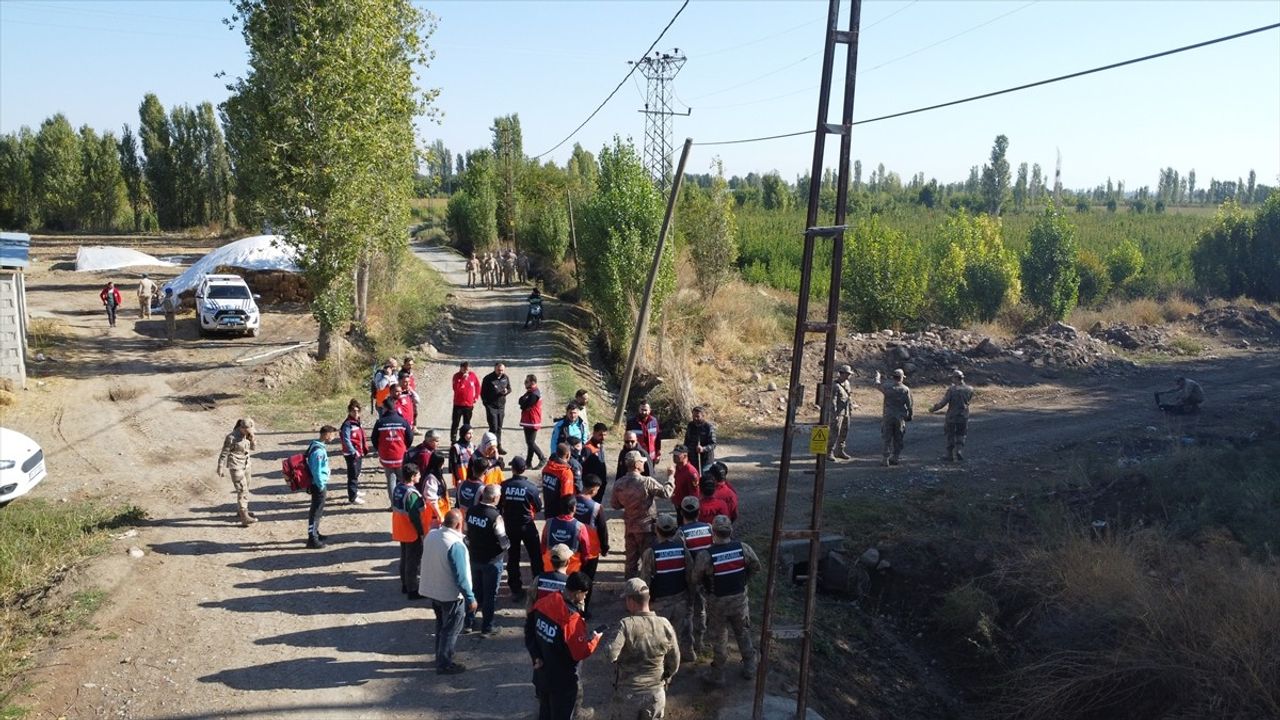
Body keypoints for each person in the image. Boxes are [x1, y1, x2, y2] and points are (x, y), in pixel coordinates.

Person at [692, 515, 762, 684]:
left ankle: (718, 675)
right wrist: (744, 581)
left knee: (719, 639)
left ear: (713, 532)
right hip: (739, 601)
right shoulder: (743, 548)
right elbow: (756, 567)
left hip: (717, 604)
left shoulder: (705, 555)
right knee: (744, 634)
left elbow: (695, 578)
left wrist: (704, 591)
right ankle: (750, 668)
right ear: (731, 530)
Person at [525, 571, 603, 720]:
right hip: (562, 681)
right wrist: (594, 640)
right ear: (578, 593)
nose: (585, 597)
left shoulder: (544, 602)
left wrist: (536, 656)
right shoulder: (572, 621)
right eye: (585, 594)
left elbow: (529, 631)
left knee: (544, 712)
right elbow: (579, 653)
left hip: (541, 674)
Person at [606, 578, 680, 720]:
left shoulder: (626, 625)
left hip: (628, 695)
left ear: (631, 600)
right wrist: (666, 676)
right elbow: (674, 660)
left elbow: (610, 654)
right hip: (655, 694)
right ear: (648, 598)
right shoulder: (665, 624)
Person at [420, 509, 477, 675]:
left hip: (433, 590)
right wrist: (470, 598)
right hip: (450, 595)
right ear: (459, 524)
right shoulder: (455, 545)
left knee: (441, 625)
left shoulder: (431, 535)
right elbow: (461, 577)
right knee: (451, 629)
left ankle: (439, 656)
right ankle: (444, 663)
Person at [611, 450, 676, 579]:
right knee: (649, 560)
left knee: (630, 561)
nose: (643, 464)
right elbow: (666, 493)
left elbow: (615, 505)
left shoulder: (619, 484)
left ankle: (631, 589)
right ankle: (649, 588)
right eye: (641, 461)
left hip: (630, 527)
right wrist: (670, 477)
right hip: (647, 529)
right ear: (636, 465)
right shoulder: (647, 482)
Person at [639, 514, 694, 662]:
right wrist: (691, 596)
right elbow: (690, 575)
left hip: (660, 603)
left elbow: (645, 581)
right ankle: (685, 654)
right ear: (674, 530)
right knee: (681, 630)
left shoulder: (651, 553)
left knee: (660, 634)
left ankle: (662, 663)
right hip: (681, 598)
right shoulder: (683, 549)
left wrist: (644, 604)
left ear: (657, 530)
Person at [465, 484, 510, 635]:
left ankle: (468, 622)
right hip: (492, 561)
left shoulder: (471, 511)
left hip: (474, 558)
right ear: (495, 497)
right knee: (490, 595)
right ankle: (487, 627)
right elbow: (503, 542)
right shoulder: (495, 516)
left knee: (474, 591)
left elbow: (466, 533)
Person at [501, 456, 544, 602]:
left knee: (513, 557)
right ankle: (538, 587)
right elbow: (538, 507)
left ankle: (515, 589)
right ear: (524, 469)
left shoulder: (504, 486)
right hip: (527, 526)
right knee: (535, 557)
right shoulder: (531, 488)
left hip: (510, 526)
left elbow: (499, 506)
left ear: (512, 469)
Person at [677, 496, 712, 659]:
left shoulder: (681, 533)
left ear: (682, 512)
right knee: (702, 610)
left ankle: (689, 646)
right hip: (707, 577)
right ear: (698, 512)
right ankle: (700, 641)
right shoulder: (709, 528)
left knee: (689, 612)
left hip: (690, 579)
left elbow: (682, 557)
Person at [392, 463, 428, 599]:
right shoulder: (412, 494)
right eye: (418, 474)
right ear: (413, 477)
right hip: (411, 531)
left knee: (404, 558)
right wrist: (421, 532)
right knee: (413, 561)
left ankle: (405, 585)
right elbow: (415, 517)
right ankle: (412, 590)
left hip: (400, 529)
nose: (420, 476)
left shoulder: (398, 488)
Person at [575, 475, 610, 614]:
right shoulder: (596, 507)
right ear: (594, 489)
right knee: (587, 580)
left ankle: (571, 606)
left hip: (573, 548)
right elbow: (603, 530)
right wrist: (605, 547)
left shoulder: (572, 501)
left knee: (573, 577)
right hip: (590, 550)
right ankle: (584, 609)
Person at [216, 418, 258, 527]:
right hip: (236, 466)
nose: (250, 431)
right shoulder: (231, 437)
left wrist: (252, 439)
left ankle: (242, 510)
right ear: (242, 428)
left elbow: (253, 448)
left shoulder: (248, 435)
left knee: (246, 488)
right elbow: (224, 453)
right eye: (248, 429)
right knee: (242, 489)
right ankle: (244, 517)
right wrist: (220, 467)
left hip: (246, 465)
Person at [373, 397, 414, 503]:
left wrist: (380, 449)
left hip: (386, 457)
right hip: (400, 456)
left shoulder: (380, 422)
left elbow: (374, 439)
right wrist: (405, 448)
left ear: (385, 408)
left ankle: (394, 504)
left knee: (391, 481)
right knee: (404, 480)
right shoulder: (403, 422)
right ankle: (406, 501)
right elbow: (410, 438)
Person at [305, 425, 340, 549]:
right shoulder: (319, 451)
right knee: (316, 512)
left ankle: (315, 532)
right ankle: (312, 539)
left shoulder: (315, 446)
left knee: (316, 511)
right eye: (333, 434)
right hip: (318, 485)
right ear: (326, 434)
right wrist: (320, 485)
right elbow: (317, 470)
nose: (334, 437)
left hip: (316, 483)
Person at [930, 369, 976, 462]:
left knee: (950, 435)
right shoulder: (970, 389)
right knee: (961, 434)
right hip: (963, 416)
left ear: (956, 378)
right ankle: (959, 450)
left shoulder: (952, 390)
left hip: (952, 416)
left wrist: (934, 409)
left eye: (953, 378)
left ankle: (949, 455)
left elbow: (943, 402)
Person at [406, 429, 450, 523]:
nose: (438, 443)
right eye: (436, 441)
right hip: (421, 487)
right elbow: (424, 473)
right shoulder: (425, 455)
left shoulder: (421, 447)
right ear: (429, 441)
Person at [873, 368, 913, 466]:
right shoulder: (905, 389)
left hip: (888, 416)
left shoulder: (887, 387)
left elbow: (876, 385)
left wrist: (877, 377)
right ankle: (895, 457)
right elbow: (909, 405)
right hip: (899, 417)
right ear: (901, 378)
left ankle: (885, 458)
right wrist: (910, 415)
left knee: (887, 437)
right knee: (898, 437)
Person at [542, 498, 592, 577]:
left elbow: (543, 544)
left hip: (550, 566)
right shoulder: (580, 526)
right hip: (571, 569)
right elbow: (586, 549)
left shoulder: (549, 522)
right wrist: (584, 562)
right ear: (573, 508)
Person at [340, 400, 370, 505]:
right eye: (353, 411)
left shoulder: (357, 422)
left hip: (359, 452)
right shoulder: (347, 424)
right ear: (349, 411)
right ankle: (352, 497)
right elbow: (346, 439)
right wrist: (353, 451)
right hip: (352, 454)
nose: (356, 413)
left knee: (357, 473)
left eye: (357, 411)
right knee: (352, 475)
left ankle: (355, 491)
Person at [826, 364, 856, 462]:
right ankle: (829, 451)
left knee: (844, 431)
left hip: (846, 411)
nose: (848, 376)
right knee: (835, 432)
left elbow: (849, 396)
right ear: (841, 374)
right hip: (838, 412)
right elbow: (833, 401)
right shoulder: (835, 386)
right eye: (846, 374)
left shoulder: (847, 383)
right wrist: (834, 414)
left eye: (849, 374)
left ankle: (840, 450)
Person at [530, 543, 573, 610]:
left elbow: (531, 600)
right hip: (561, 619)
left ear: (551, 562)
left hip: (541, 618)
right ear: (568, 562)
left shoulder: (539, 579)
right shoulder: (570, 582)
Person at [481, 362, 512, 454]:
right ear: (495, 368)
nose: (500, 372)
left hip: (501, 407)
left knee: (499, 427)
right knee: (493, 427)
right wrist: (486, 404)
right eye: (499, 370)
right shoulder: (488, 378)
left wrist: (506, 391)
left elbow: (510, 389)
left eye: (502, 370)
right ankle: (491, 447)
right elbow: (482, 393)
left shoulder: (505, 377)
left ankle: (498, 446)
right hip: (491, 406)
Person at [518, 374, 547, 469]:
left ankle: (542, 458)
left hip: (532, 420)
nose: (525, 384)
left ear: (532, 382)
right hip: (528, 420)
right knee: (529, 442)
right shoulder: (530, 392)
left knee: (530, 442)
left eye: (526, 382)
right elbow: (521, 401)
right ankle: (528, 463)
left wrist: (523, 403)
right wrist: (523, 402)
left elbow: (524, 405)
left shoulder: (534, 393)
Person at [540, 442, 577, 518]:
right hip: (560, 514)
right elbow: (567, 497)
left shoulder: (546, 468)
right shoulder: (566, 473)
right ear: (568, 455)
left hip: (548, 510)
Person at [451, 361, 481, 443]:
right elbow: (456, 389)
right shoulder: (456, 376)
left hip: (468, 404)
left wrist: (476, 397)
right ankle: (453, 440)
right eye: (464, 369)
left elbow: (478, 386)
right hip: (458, 404)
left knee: (467, 424)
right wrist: (463, 380)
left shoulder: (472, 375)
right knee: (455, 423)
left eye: (467, 370)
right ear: (461, 368)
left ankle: (465, 440)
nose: (466, 371)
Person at [683, 406, 718, 473]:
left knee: (704, 480)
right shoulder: (690, 425)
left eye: (697, 416)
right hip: (692, 459)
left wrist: (703, 449)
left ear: (703, 416)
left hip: (706, 460)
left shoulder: (708, 427)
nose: (695, 418)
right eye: (693, 416)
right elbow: (686, 441)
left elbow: (713, 444)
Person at [627, 402, 662, 467]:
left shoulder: (654, 422)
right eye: (642, 409)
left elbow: (658, 439)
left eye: (645, 410)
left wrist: (658, 454)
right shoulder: (631, 422)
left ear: (650, 410)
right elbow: (627, 440)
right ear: (638, 409)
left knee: (650, 476)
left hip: (651, 457)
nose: (643, 412)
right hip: (637, 457)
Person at [581, 423, 610, 501]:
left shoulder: (600, 445)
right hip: (592, 486)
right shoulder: (588, 448)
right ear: (594, 433)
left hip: (600, 483)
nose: (603, 437)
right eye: (600, 435)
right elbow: (583, 468)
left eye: (604, 435)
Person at [668, 445, 701, 511]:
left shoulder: (691, 472)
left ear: (685, 456)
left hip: (686, 507)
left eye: (677, 455)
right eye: (674, 455)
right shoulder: (676, 469)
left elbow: (695, 493)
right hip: (678, 505)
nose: (674, 457)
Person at [400, 358, 420, 425]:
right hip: (406, 394)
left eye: (411, 365)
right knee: (411, 412)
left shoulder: (409, 372)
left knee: (414, 411)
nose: (410, 366)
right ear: (404, 364)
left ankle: (413, 427)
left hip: (410, 393)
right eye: (408, 365)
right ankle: (411, 427)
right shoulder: (402, 373)